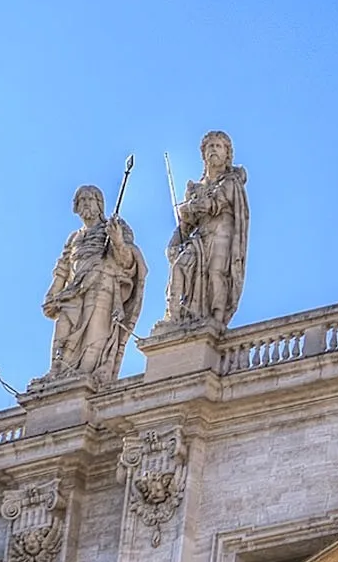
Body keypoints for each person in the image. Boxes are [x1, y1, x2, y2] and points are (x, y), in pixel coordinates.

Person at [42, 184, 147, 385]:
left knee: (94, 335)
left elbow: (127, 262)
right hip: (73, 291)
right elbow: (63, 268)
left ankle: (85, 375)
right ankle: (56, 372)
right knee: (63, 326)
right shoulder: (74, 238)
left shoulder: (115, 228)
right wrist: (52, 293)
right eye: (81, 200)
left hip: (102, 287)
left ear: (100, 204)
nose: (85, 204)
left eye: (90, 199)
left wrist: (116, 241)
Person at [164, 130, 249, 329]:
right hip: (199, 236)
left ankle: (216, 318)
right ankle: (173, 316)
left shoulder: (230, 182)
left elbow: (215, 203)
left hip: (222, 232)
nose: (213, 150)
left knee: (216, 272)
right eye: (210, 146)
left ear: (227, 154)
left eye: (218, 146)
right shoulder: (195, 187)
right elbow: (185, 225)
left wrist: (194, 207)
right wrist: (174, 242)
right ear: (203, 153)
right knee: (179, 266)